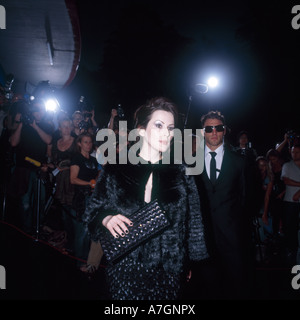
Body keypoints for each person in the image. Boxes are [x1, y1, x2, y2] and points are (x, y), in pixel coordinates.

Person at [83, 96, 208, 300]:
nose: (166, 133)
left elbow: (193, 222)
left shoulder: (182, 172)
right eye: (158, 125)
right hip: (125, 266)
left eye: (170, 127)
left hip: (168, 270)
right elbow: (92, 212)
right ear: (141, 130)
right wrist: (106, 218)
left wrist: (187, 262)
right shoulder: (116, 169)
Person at [194, 110, 253, 299]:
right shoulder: (190, 162)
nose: (213, 132)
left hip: (233, 237)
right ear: (202, 131)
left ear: (224, 130)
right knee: (206, 288)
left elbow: (246, 199)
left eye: (218, 128)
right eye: (209, 128)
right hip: (201, 239)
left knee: (237, 286)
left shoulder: (239, 162)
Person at [8, 99, 53, 232]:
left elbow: (49, 140)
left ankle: (37, 227)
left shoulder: (46, 125)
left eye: (41, 109)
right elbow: (13, 143)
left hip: (39, 168)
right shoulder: (24, 125)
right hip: (24, 169)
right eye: (36, 109)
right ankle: (25, 229)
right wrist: (22, 123)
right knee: (25, 202)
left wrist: (35, 126)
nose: (38, 112)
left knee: (40, 200)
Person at [70, 132, 100, 269]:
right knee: (81, 232)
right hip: (82, 198)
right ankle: (79, 261)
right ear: (79, 144)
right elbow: (73, 179)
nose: (88, 144)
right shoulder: (77, 158)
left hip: (92, 198)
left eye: (90, 142)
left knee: (89, 232)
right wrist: (89, 183)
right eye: (85, 142)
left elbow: (100, 174)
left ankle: (87, 261)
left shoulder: (93, 160)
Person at [281, 144, 300, 262]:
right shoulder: (287, 165)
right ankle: (291, 250)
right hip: (290, 202)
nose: (295, 154)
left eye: (297, 152)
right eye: (293, 152)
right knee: (290, 228)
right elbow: (286, 180)